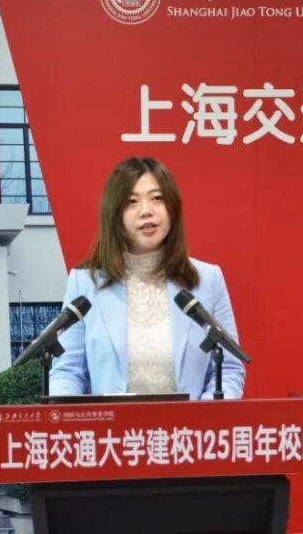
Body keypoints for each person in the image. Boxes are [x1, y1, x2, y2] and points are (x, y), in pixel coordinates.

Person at [48, 157, 246, 399]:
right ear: (114, 214)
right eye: (132, 202)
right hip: (113, 423)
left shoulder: (207, 279)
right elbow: (67, 372)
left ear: (172, 207)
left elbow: (229, 368)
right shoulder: (85, 282)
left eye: (157, 198)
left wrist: (202, 417)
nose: (146, 211)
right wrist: (70, 416)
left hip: (190, 423)